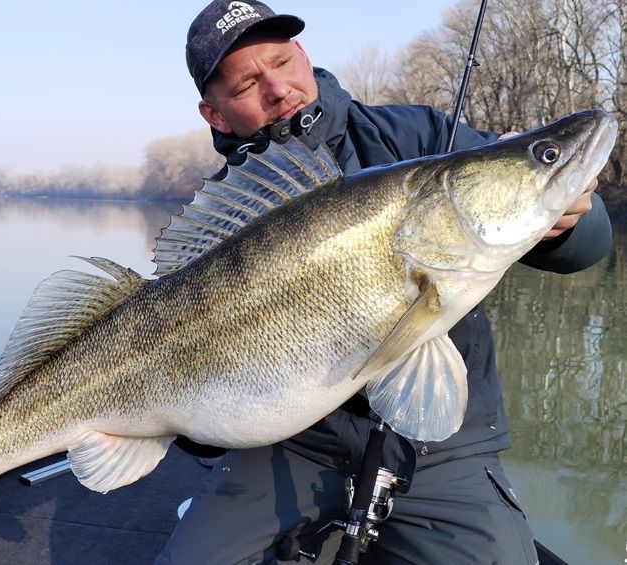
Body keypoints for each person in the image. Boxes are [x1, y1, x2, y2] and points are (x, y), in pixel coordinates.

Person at [158, 1, 612, 564]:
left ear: (303, 55)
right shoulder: (228, 216)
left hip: (443, 448)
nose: (278, 88)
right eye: (248, 82)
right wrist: (193, 420)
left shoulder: (420, 136)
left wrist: (569, 223)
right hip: (292, 447)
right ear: (216, 115)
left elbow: (585, 249)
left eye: (281, 61)